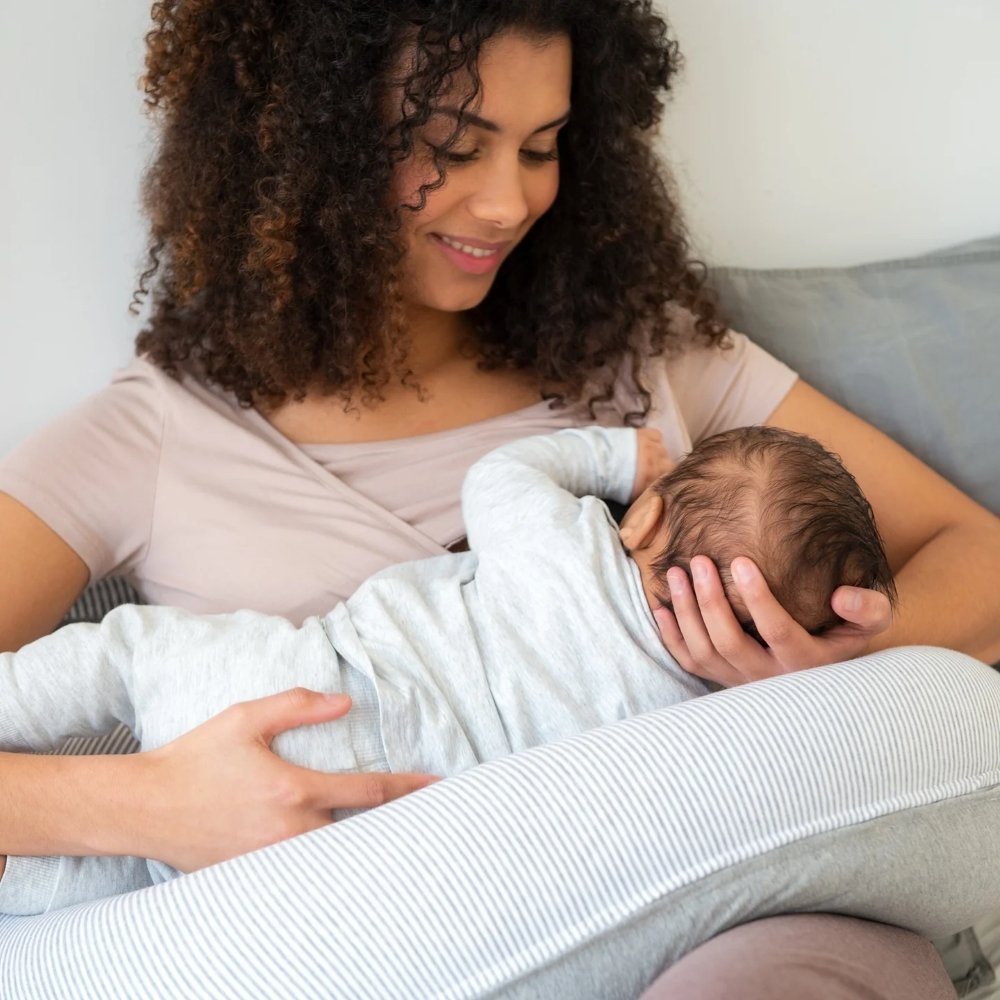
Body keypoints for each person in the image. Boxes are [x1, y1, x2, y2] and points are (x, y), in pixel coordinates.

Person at [1, 0, 998, 993]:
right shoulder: (153, 435)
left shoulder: (645, 355)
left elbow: (979, 555)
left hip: (729, 919)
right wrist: (147, 802)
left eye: (541, 147)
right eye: (452, 148)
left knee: (930, 734)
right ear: (309, 146)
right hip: (376, 927)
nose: (507, 204)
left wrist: (819, 667)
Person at [0, 422, 897, 914]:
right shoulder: (689, 720)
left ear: (649, 517)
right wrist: (799, 694)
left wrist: (616, 457)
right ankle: (23, 889)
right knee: (138, 880)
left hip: (306, 685)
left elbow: (498, 475)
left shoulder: (569, 542)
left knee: (125, 653)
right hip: (371, 829)